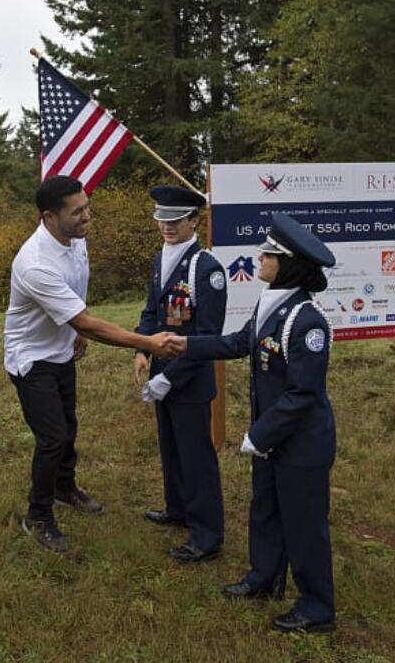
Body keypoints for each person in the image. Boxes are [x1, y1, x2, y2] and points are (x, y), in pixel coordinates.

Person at [170, 212, 338, 633]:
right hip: (273, 440)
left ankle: (317, 609)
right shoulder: (272, 304)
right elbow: (238, 343)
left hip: (300, 445)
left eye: (268, 253)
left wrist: (258, 434)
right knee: (266, 508)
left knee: (304, 524)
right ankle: (265, 579)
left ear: (288, 264)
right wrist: (184, 344)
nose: (259, 257)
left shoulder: (306, 320)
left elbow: (303, 394)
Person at [4, 174, 180, 552]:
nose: (87, 217)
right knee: (51, 437)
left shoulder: (74, 239)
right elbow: (84, 320)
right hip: (31, 357)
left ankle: (65, 487)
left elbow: (75, 304)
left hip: (62, 349)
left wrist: (74, 331)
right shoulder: (35, 263)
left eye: (87, 207)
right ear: (48, 217)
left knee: (68, 425)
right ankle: (38, 515)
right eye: (77, 211)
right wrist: (146, 342)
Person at [132, 185, 227, 563]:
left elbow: (207, 336)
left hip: (188, 380)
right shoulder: (161, 260)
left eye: (174, 221)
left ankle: (206, 535)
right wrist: (141, 348)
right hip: (161, 373)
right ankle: (178, 509)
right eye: (161, 219)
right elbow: (151, 312)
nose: (166, 227)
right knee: (170, 449)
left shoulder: (207, 268)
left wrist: (169, 378)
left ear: (194, 220)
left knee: (196, 456)